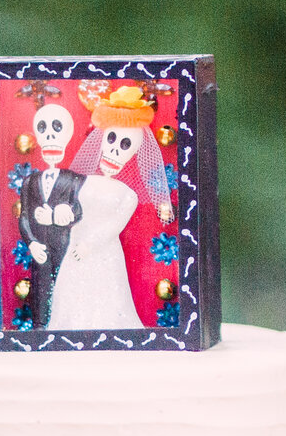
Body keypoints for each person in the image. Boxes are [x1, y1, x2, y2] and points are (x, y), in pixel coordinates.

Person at [45, 90, 173, 331]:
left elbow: (114, 226)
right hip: (75, 247)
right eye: (111, 140)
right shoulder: (83, 181)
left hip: (103, 252)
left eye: (125, 145)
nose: (114, 150)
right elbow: (70, 203)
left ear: (134, 152)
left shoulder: (128, 194)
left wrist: (90, 245)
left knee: (105, 293)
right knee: (74, 293)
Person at [17, 103, 83, 328]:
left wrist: (59, 215)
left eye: (57, 128)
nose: (50, 135)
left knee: (68, 293)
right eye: (44, 129)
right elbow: (24, 216)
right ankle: (40, 333)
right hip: (40, 252)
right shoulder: (30, 181)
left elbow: (79, 210)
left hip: (66, 249)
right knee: (41, 293)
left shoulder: (74, 179)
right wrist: (32, 243)